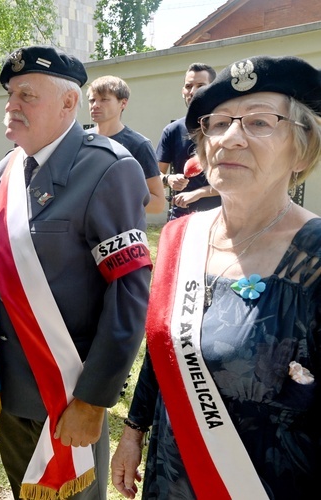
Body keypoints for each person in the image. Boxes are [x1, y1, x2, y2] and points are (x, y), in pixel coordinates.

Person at [111, 55, 321, 499]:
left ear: (301, 145)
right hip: (171, 477)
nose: (231, 138)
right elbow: (165, 347)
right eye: (219, 123)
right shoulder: (178, 237)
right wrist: (133, 430)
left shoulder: (315, 256)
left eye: (260, 123)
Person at [0, 46, 152, 499]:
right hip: (7, 384)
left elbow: (129, 294)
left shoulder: (107, 168)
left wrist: (94, 399)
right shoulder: (6, 170)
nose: (11, 105)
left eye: (26, 94)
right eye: (9, 95)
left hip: (65, 393)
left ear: (68, 103)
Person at [87, 75, 166, 213]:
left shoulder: (139, 145)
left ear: (123, 103)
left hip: (117, 231)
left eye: (104, 99)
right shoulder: (82, 140)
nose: (95, 105)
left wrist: (112, 196)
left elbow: (158, 203)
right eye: (92, 100)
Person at [157, 62, 220, 219]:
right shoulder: (172, 130)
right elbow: (153, 174)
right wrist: (168, 179)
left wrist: (198, 193)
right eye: (188, 86)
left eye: (200, 85)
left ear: (214, 89)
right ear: (183, 91)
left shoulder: (226, 128)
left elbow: (237, 182)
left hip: (220, 216)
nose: (193, 91)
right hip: (181, 217)